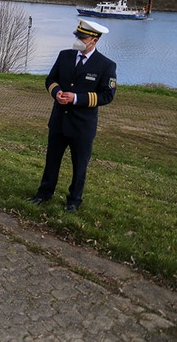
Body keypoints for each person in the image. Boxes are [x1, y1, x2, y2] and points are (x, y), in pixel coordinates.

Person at [31, 19, 117, 212]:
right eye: (77, 36)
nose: (78, 40)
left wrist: (77, 98)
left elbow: (107, 95)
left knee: (79, 167)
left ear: (94, 40)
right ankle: (44, 193)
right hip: (59, 121)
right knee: (52, 161)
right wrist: (57, 93)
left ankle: (74, 201)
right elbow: (51, 79)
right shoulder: (65, 56)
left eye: (82, 37)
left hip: (82, 126)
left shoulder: (106, 65)